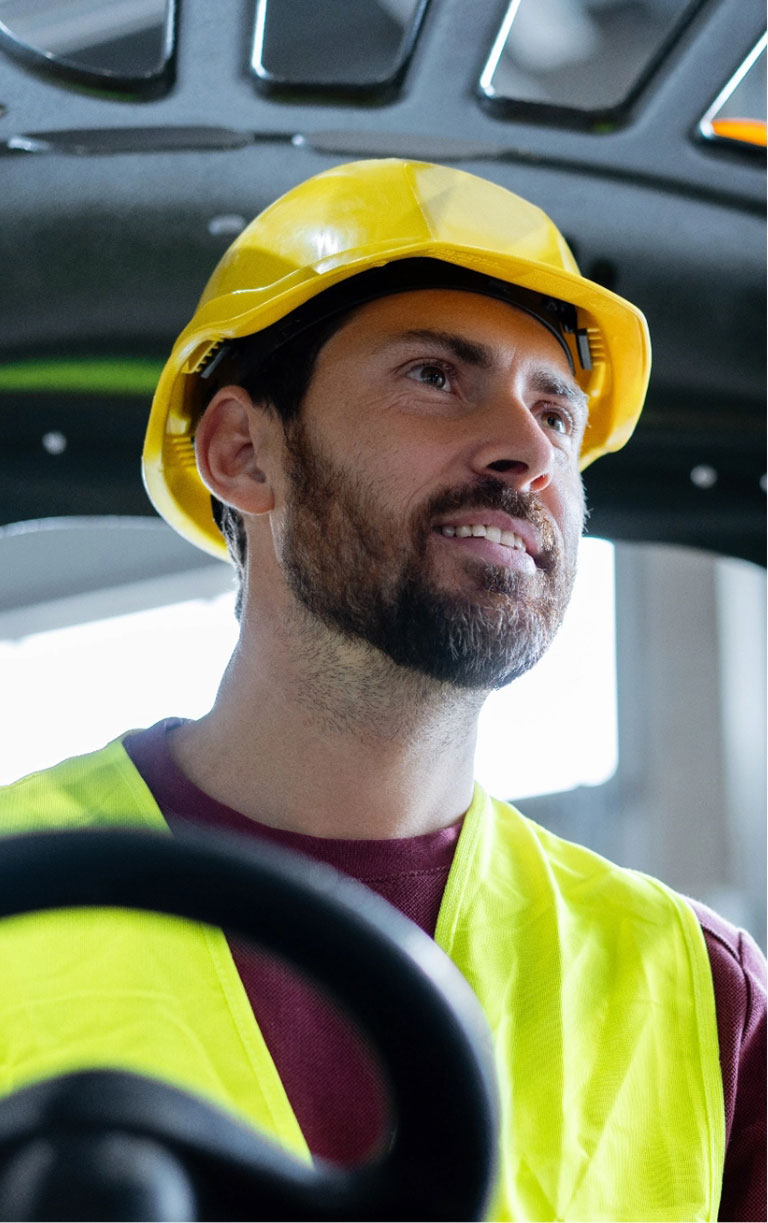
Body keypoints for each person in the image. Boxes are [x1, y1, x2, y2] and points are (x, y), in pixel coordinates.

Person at [1, 159, 764, 1221]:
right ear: (243, 451)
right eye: (435, 376)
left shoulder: (701, 992)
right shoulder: (18, 888)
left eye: (557, 414)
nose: (528, 453)